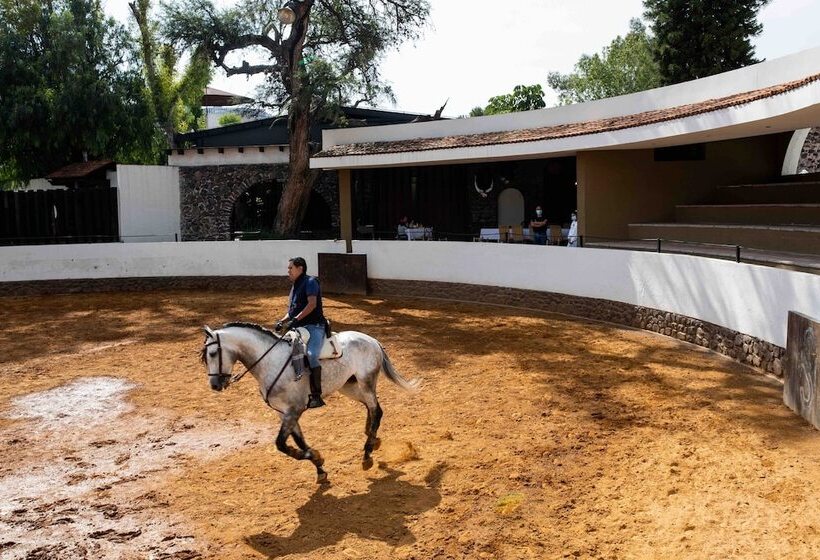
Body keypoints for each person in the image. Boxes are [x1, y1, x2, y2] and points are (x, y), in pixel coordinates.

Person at [276, 257, 327, 408]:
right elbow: (291, 311)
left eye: (290, 268)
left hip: (314, 326)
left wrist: (295, 320)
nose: (288, 271)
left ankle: (316, 396)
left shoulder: (311, 282)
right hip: (298, 327)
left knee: (311, 355)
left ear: (300, 268)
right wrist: (282, 321)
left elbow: (312, 305)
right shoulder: (295, 286)